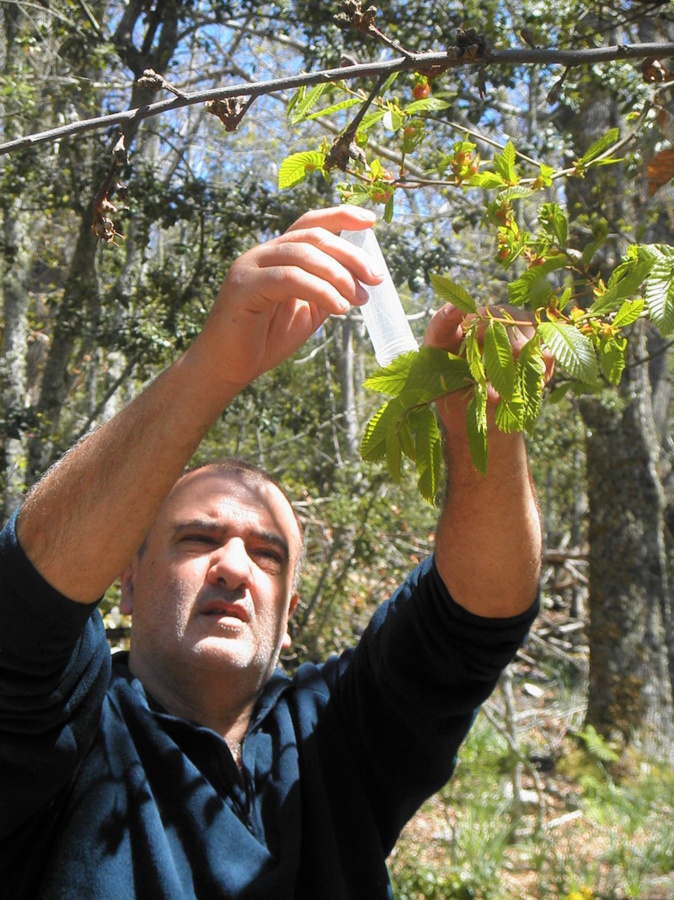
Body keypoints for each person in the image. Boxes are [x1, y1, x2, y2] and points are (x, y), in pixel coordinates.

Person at [0, 206, 543, 899]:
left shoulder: (336, 738)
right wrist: (212, 368)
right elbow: (24, 601)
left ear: (288, 617)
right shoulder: (64, 731)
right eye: (197, 539)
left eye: (267, 555)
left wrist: (485, 434)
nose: (232, 566)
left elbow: (478, 620)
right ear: (127, 585)